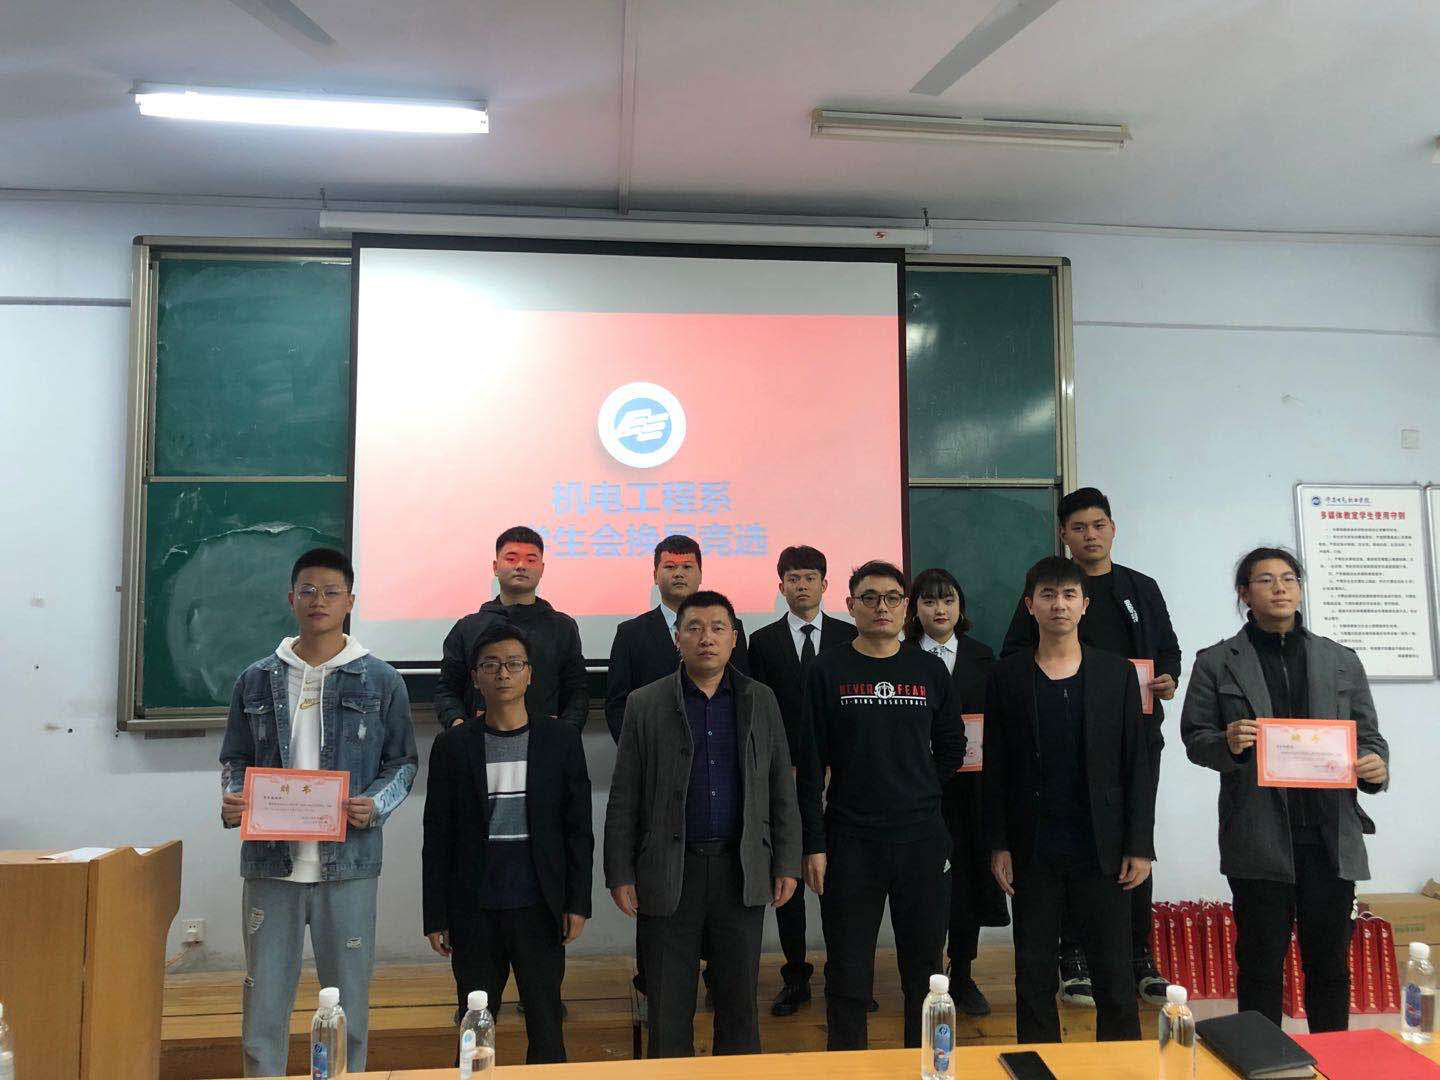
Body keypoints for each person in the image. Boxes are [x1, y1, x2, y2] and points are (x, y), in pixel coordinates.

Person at [219, 547, 418, 1076]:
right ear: (291, 598)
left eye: (331, 592)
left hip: (347, 865)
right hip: (271, 864)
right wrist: (235, 796)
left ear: (350, 601)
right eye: (307, 590)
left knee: (348, 998)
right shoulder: (255, 679)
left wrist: (375, 805)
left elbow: (402, 763)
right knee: (264, 998)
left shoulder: (380, 680)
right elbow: (235, 758)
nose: (318, 601)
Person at [1181, 547, 1389, 1032]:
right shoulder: (1217, 662)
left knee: (1330, 967)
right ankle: (1260, 1060)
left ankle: (1332, 1059)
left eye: (1289, 578)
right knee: (1259, 966)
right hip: (1258, 835)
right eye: (1266, 580)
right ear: (1244, 593)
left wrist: (1375, 767)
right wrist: (1229, 743)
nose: (1280, 588)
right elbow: (1196, 739)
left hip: (1330, 836)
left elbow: (1370, 738)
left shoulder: (1340, 659)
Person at [1000, 487, 1180, 1006]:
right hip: (1054, 745)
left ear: (1113, 529)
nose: (1090, 535)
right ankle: (1072, 955)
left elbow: (1169, 651)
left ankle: (1137, 955)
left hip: (1130, 740)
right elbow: (1014, 654)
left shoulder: (1139, 588)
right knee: (1062, 851)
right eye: (1079, 527)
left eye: (1098, 525)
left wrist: (1167, 678)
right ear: (1064, 534)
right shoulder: (1046, 589)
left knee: (1131, 845)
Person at [604, 590, 801, 1058]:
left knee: (738, 1006)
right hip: (670, 870)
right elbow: (625, 794)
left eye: (717, 628)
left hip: (740, 868)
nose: (706, 638)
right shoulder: (645, 703)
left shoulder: (761, 699)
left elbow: (781, 787)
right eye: (693, 628)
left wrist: (787, 862)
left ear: (734, 637)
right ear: (677, 639)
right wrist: (620, 872)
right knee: (668, 1007)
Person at [983, 555, 1153, 1045]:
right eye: (1048, 594)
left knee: (1114, 973)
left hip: (1103, 846)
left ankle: (1120, 1067)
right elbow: (996, 767)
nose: (1059, 604)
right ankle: (1039, 1062)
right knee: (1033, 973)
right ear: (1030, 605)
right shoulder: (1006, 676)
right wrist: (999, 843)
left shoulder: (1116, 673)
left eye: (1069, 594)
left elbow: (1136, 764)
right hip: (1033, 845)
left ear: (1084, 604)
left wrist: (1139, 845)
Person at [797, 560, 965, 1051]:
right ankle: (848, 1064)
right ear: (850, 605)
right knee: (848, 972)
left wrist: (916, 786)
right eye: (869, 598)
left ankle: (926, 1062)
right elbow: (810, 764)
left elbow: (951, 745)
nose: (881, 607)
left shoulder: (928, 669)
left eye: (892, 597)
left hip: (921, 839)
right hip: (851, 839)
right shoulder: (826, 670)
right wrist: (814, 844)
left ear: (905, 606)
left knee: (926, 971)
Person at [422, 623, 593, 1063]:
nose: (503, 673)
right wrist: (436, 914)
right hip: (474, 908)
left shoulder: (560, 740)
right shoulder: (453, 746)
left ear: (530, 674)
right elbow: (437, 837)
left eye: (514, 664)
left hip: (540, 905)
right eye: (491, 665)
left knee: (546, 1026)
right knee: (475, 1028)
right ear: (475, 677)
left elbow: (578, 830)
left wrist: (577, 902)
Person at [745, 544, 857, 1017]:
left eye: (810, 577)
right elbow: (756, 712)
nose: (802, 585)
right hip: (784, 778)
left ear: (825, 585)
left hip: (842, 778)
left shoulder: (851, 636)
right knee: (788, 876)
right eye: (793, 578)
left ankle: (845, 975)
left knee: (842, 880)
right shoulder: (762, 642)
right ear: (781, 586)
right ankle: (795, 975)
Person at [903, 567, 1009, 1018]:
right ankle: (924, 977)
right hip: (917, 790)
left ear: (960, 607)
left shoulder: (984, 656)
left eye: (947, 600)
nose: (939, 609)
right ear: (915, 610)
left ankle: (962, 973)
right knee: (922, 888)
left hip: (972, 791)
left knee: (967, 885)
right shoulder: (901, 656)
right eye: (928, 601)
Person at [435, 526, 587, 731]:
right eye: (511, 558)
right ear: (495, 567)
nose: (521, 566)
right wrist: (459, 728)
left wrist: (565, 735)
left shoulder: (562, 627)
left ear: (542, 569)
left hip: (546, 740)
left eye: (531, 560)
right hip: (479, 739)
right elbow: (448, 689)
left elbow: (576, 692)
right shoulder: (468, 628)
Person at [606, 534, 749, 744]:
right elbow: (617, 705)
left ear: (700, 575)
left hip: (719, 746)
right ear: (655, 576)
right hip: (654, 748)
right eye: (670, 567)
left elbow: (744, 692)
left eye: (687, 567)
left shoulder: (729, 627)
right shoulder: (630, 633)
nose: (679, 573)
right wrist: (636, 751)